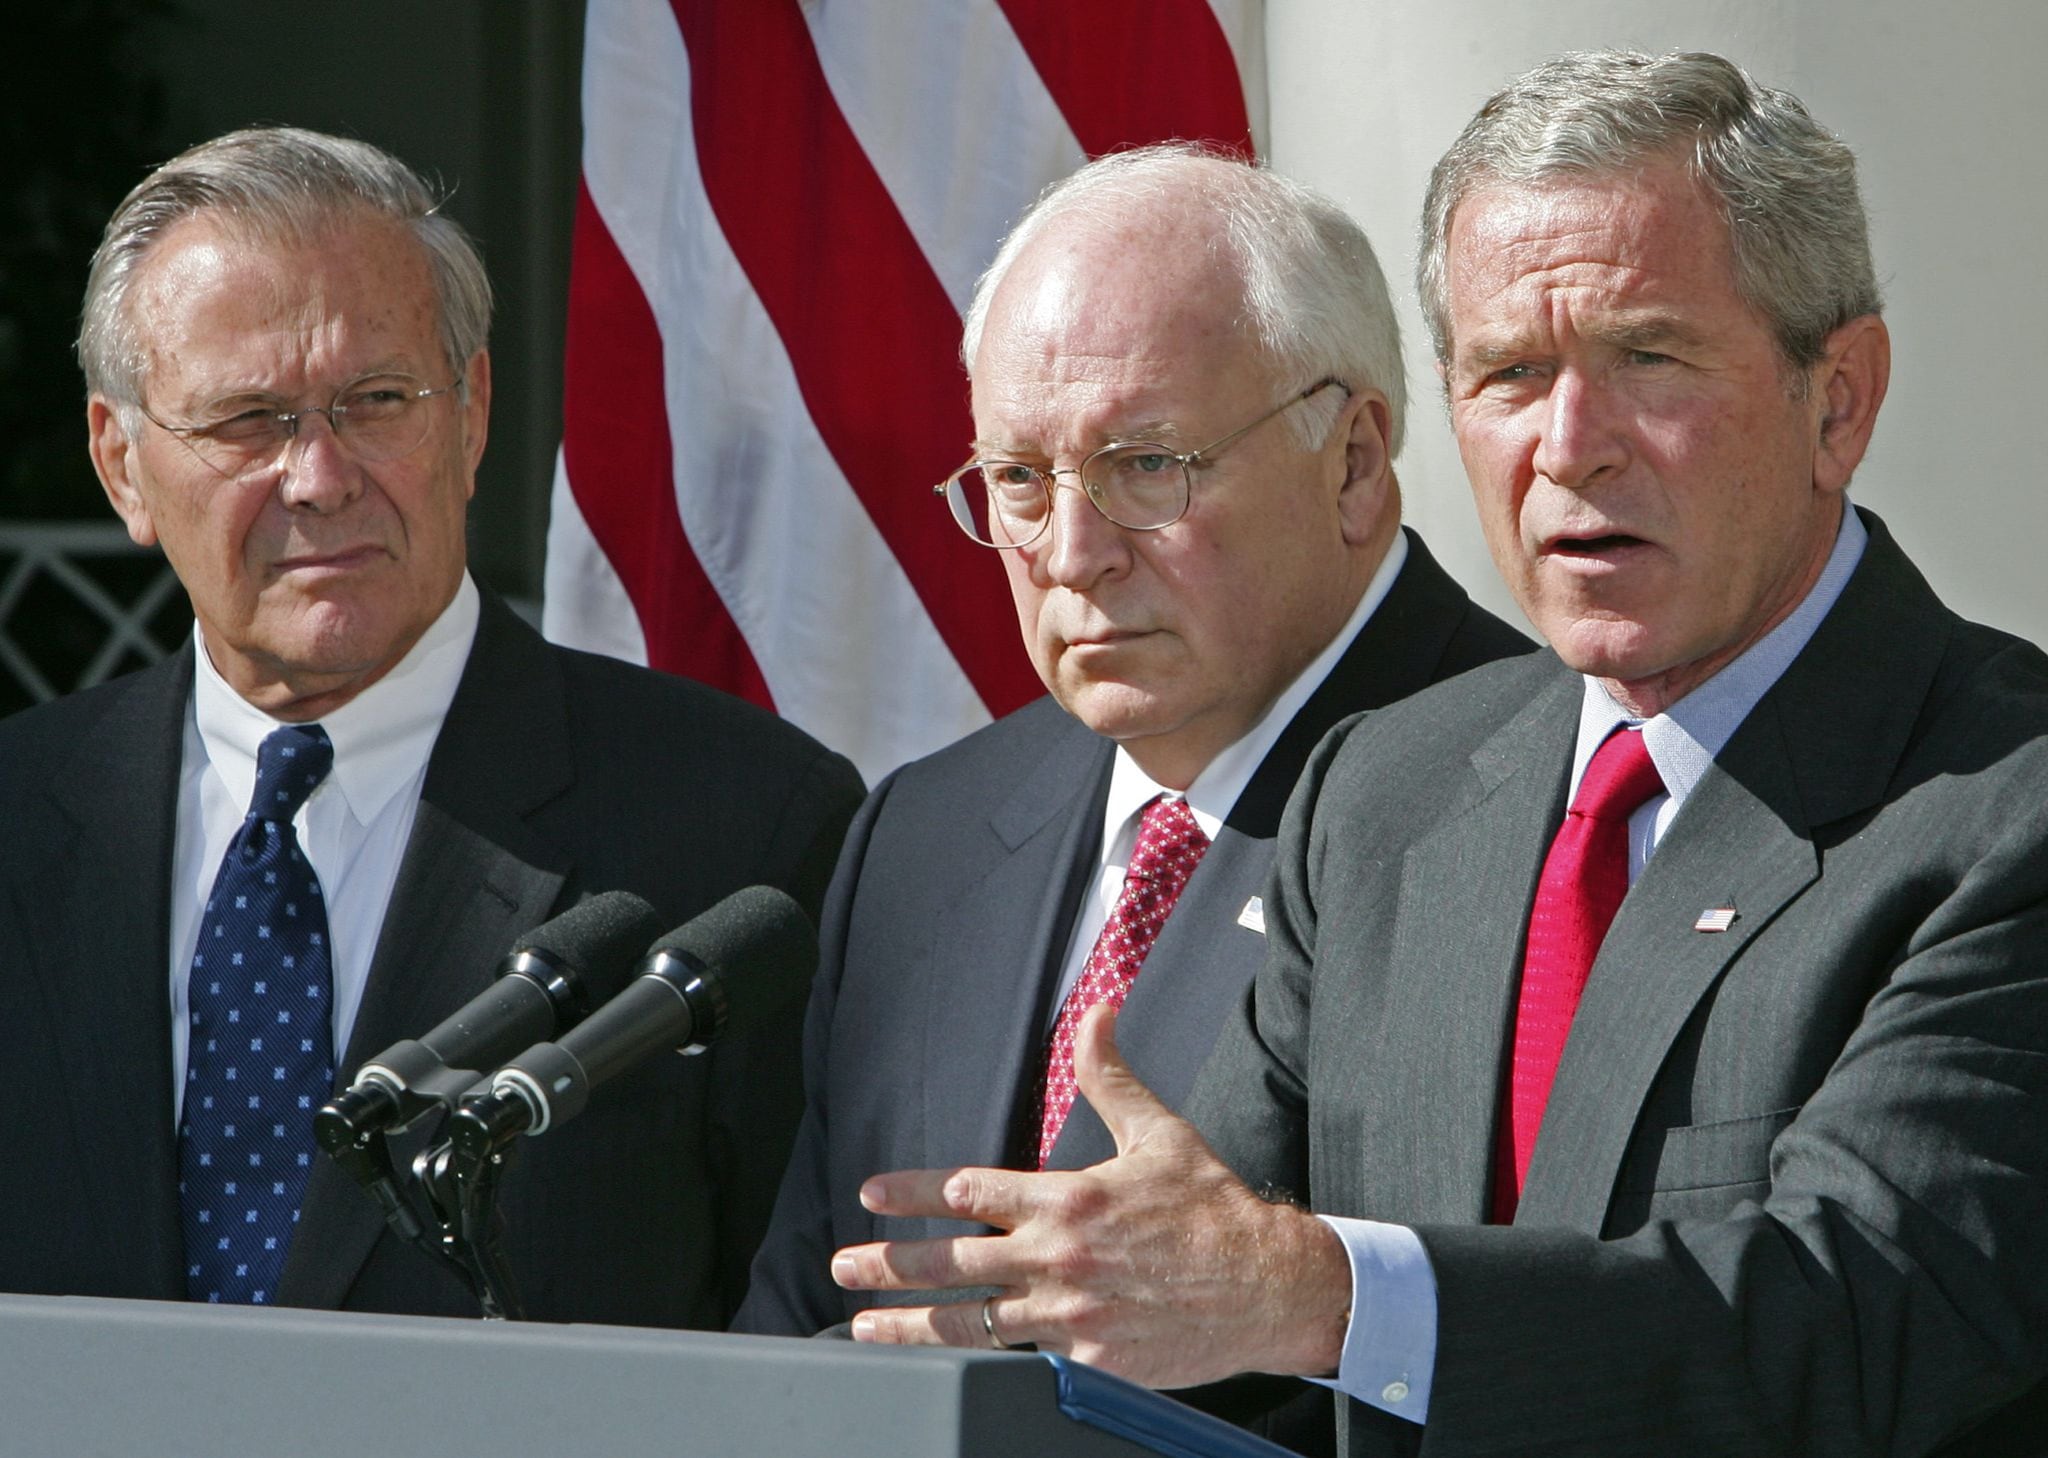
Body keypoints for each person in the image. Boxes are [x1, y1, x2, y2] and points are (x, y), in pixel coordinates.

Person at [827, 52, 2048, 1455]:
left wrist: (1333, 1297)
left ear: (1838, 399)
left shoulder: (2001, 806)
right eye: (1511, 374)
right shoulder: (1388, 790)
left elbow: (1845, 1322)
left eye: (1646, 356)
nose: (1570, 447)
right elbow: (1177, 1294)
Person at [0, 127, 863, 1329]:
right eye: (250, 420)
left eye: (377, 400)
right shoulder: (19, 820)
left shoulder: (742, 832)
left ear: (471, 416)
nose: (319, 476)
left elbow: (806, 1340)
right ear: (123, 466)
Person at [735, 144, 1527, 1354]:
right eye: (1017, 478)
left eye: (1144, 466)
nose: (1069, 551)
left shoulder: (1542, 788)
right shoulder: (923, 831)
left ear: (1354, 463)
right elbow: (801, 1322)